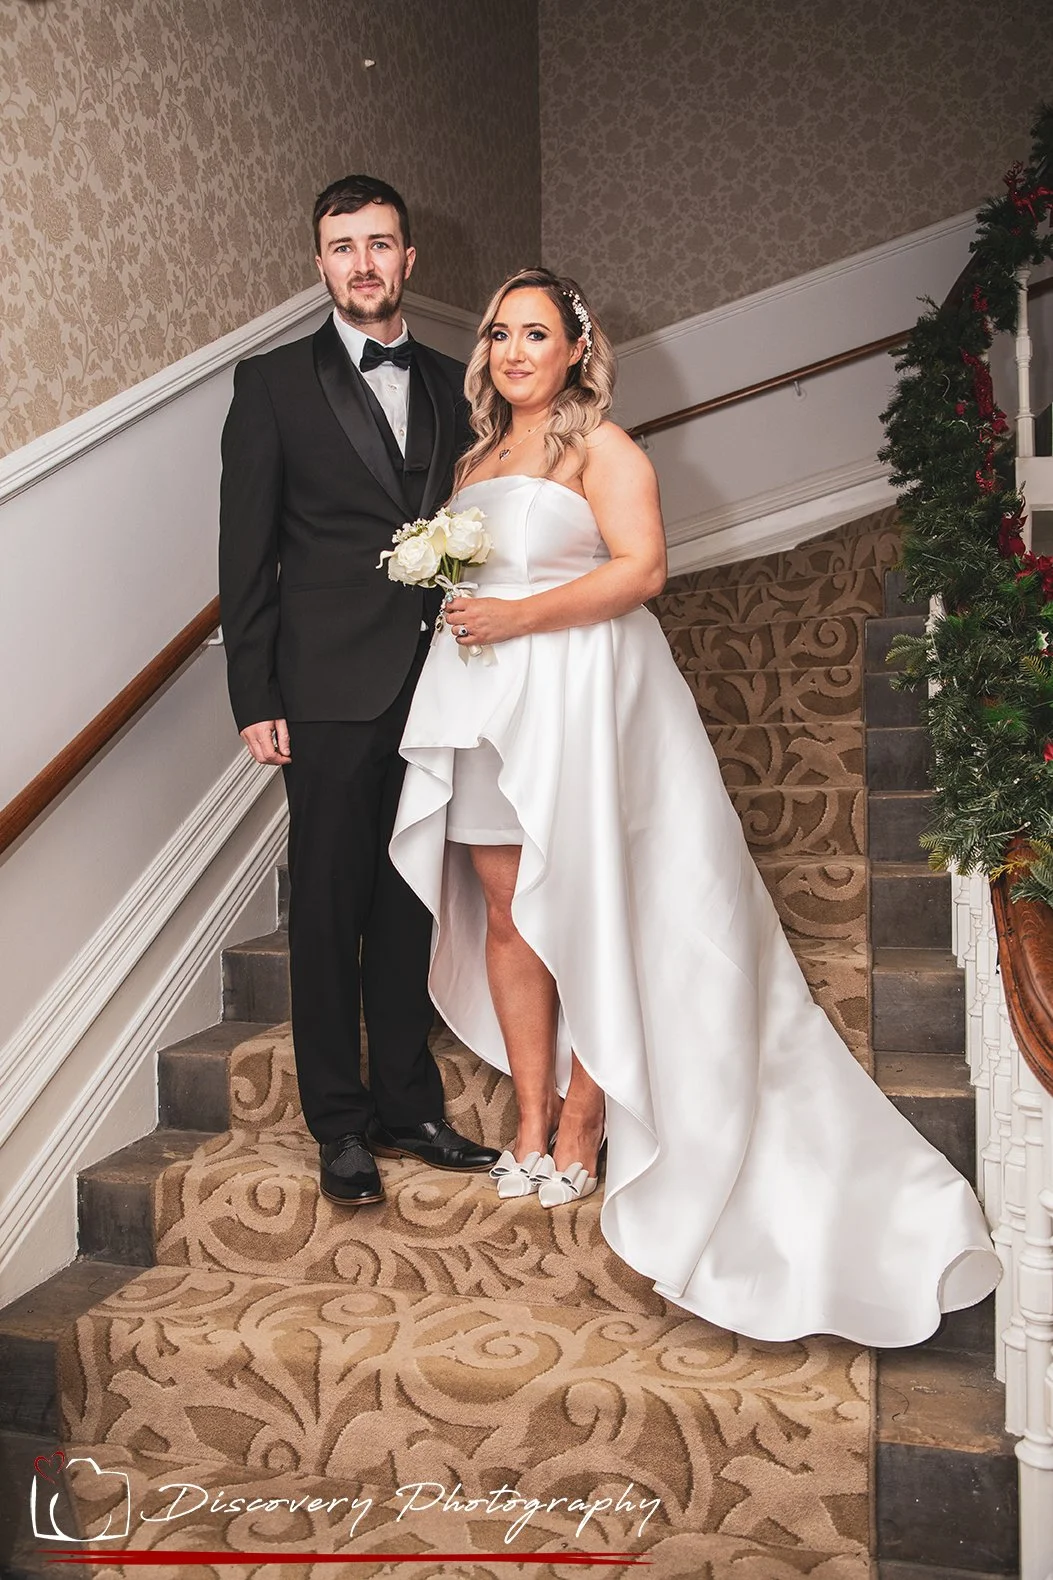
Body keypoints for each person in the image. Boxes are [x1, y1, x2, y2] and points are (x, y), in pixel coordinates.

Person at [389, 267, 1002, 1346]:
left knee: (584, 899)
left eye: (536, 332)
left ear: (578, 347)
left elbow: (644, 573)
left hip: (579, 702)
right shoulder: (477, 458)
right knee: (508, 905)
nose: (513, 350)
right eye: (499, 333)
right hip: (485, 706)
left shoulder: (604, 450)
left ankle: (586, 1119)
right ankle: (529, 1120)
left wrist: (518, 618)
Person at [218, 175, 499, 1208]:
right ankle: (339, 1122)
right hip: (326, 689)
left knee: (412, 894)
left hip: (439, 684)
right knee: (330, 910)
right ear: (321, 262)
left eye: (381, 244)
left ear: (409, 258)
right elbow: (244, 553)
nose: (364, 263)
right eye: (344, 247)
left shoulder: (451, 380)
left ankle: (409, 1104)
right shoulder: (270, 385)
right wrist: (254, 690)